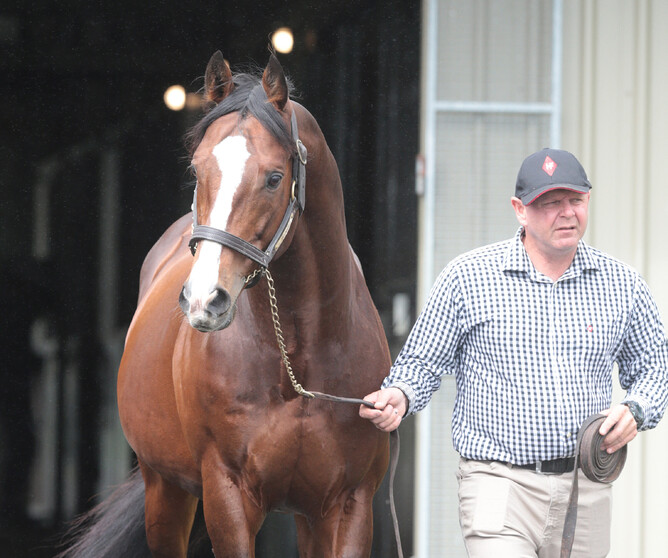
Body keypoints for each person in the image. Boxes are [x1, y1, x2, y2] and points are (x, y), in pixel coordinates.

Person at [359, 148, 668, 557]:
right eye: (550, 203)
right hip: (498, 484)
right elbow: (421, 362)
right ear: (520, 210)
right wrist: (398, 396)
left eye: (575, 200)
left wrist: (637, 409)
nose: (566, 213)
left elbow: (654, 366)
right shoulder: (467, 278)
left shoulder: (623, 284)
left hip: (586, 488)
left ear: (588, 201)